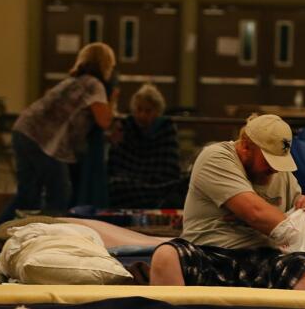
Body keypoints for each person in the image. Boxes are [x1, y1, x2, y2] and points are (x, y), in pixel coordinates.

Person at [149, 114, 305, 290]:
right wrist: (278, 221)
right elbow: (256, 213)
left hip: (262, 258)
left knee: (304, 270)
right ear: (246, 146)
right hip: (210, 254)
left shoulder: (280, 173)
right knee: (166, 256)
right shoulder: (216, 157)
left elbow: (298, 229)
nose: (275, 169)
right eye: (269, 160)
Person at [10, 43, 118, 213]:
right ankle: (49, 233)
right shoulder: (94, 85)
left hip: (23, 130)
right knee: (60, 193)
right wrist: (113, 98)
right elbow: (104, 121)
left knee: (27, 195)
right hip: (45, 141)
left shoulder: (73, 81)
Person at [107, 83, 183, 208]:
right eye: (139, 109)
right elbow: (118, 162)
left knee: (173, 188)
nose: (142, 115)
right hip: (130, 179)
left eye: (148, 111)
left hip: (159, 181)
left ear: (157, 111)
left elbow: (169, 167)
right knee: (115, 186)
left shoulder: (166, 128)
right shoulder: (127, 126)